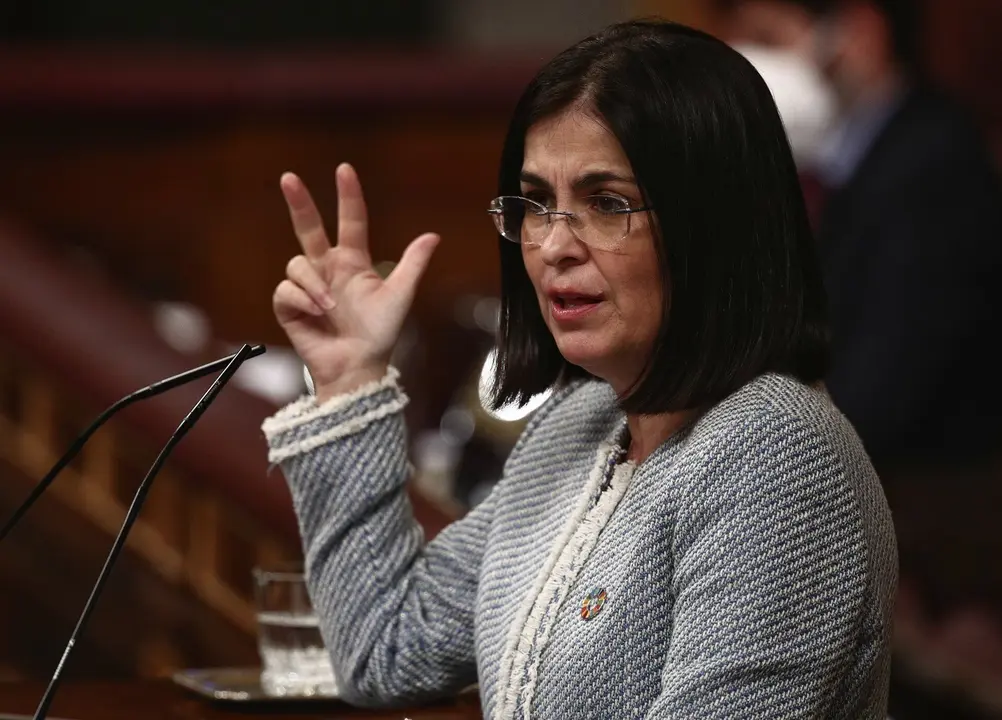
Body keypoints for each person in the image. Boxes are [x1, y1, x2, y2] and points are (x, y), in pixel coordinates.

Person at [262, 20, 897, 719]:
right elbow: (385, 651)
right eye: (535, 203)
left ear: (711, 224)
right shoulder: (576, 429)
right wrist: (351, 379)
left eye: (607, 203)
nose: (554, 245)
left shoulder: (776, 449)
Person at [718, 0, 1002, 478]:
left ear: (859, 36)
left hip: (919, 500)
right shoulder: (834, 161)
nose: (745, 63)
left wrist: (745, 464)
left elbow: (883, 388)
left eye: (768, 41)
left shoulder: (930, 164)